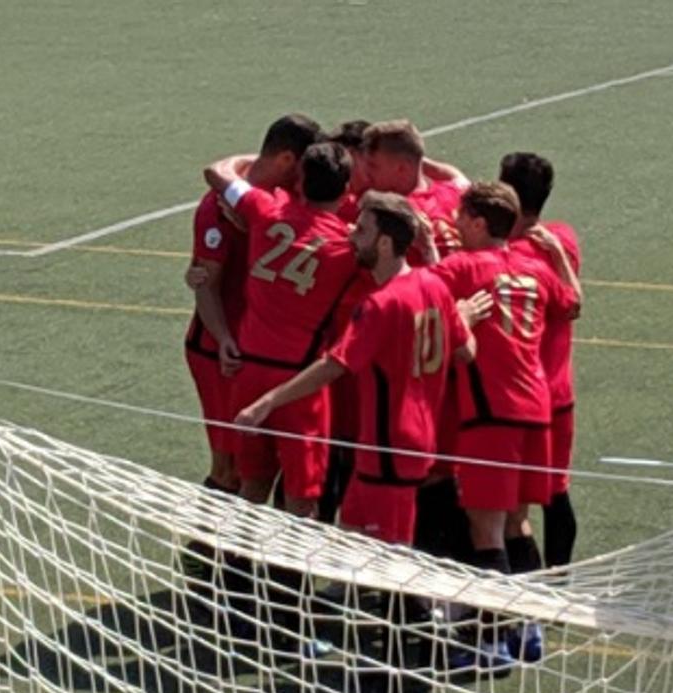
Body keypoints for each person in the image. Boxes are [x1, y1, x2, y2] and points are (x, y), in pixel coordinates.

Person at [236, 191, 479, 545]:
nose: (351, 234)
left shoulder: (382, 303)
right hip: (396, 443)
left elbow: (334, 366)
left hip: (389, 444)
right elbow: (467, 351)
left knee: (393, 558)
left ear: (383, 243)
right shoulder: (434, 285)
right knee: (352, 539)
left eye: (362, 229)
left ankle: (417, 604)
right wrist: (463, 318)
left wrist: (267, 402)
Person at [430, 181, 580, 666]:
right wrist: (557, 259)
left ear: (478, 222)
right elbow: (572, 304)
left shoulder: (463, 267)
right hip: (536, 411)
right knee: (518, 522)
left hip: (490, 414)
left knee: (485, 528)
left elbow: (419, 291)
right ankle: (530, 630)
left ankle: (492, 643)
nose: (453, 225)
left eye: (459, 218)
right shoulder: (534, 267)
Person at [202, 141, 359, 518]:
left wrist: (263, 160)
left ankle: (233, 572)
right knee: (301, 499)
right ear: (347, 188)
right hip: (299, 383)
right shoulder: (347, 246)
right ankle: (286, 578)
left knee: (251, 484)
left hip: (249, 371)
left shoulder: (264, 209)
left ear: (301, 181)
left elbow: (218, 170)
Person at [183, 114, 323, 498]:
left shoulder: (276, 200)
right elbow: (206, 284)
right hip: (219, 351)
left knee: (264, 466)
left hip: (258, 351)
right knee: (230, 469)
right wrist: (225, 337)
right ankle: (202, 553)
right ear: (287, 160)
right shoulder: (218, 207)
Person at [500, 152, 584, 568]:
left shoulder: (508, 254)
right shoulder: (561, 240)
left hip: (521, 395)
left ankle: (530, 591)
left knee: (513, 507)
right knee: (554, 492)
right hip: (559, 391)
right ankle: (559, 581)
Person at [360, 120, 469, 265]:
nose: (366, 172)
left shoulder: (392, 214)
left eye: (373, 165)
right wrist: (414, 154)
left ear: (403, 168)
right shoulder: (457, 191)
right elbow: (454, 174)